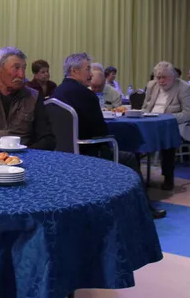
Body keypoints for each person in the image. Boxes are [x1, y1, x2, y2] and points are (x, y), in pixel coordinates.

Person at [52, 53, 166, 219]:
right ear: (74, 71)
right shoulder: (86, 95)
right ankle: (144, 208)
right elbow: (100, 132)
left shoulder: (56, 92)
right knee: (129, 157)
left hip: (62, 154)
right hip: (87, 153)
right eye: (87, 69)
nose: (90, 74)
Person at [143, 61, 190, 190]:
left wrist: (166, 119)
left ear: (173, 76)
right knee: (133, 135)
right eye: (158, 77)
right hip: (149, 123)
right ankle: (136, 175)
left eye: (164, 77)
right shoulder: (151, 85)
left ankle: (168, 177)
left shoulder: (184, 88)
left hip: (172, 126)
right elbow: (145, 107)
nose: (161, 81)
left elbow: (189, 114)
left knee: (168, 137)